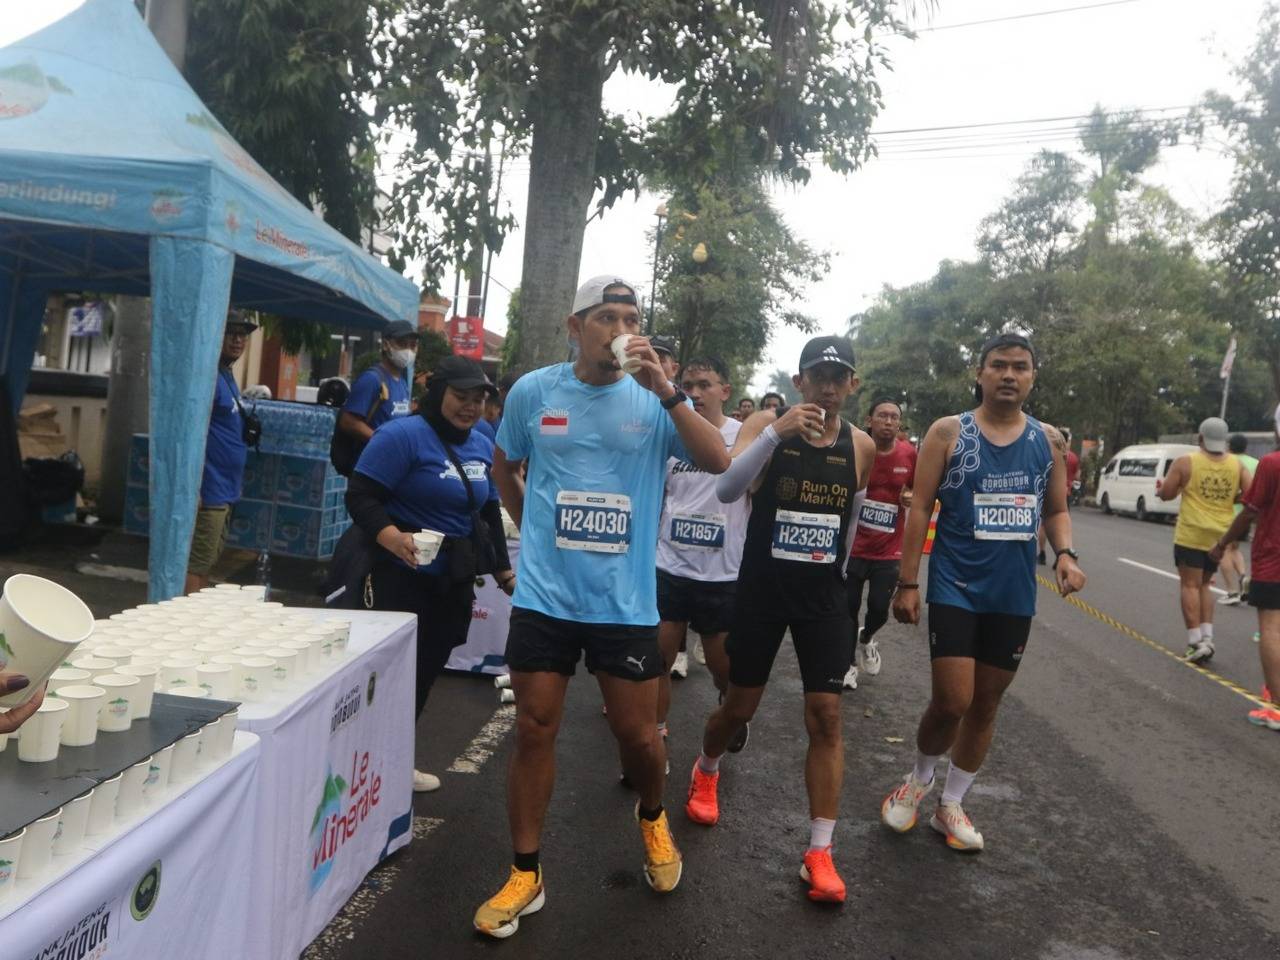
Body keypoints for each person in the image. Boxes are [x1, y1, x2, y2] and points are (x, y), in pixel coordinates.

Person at [474, 275, 729, 938]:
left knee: (638, 736)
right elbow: (504, 465)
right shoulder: (535, 392)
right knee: (534, 727)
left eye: (630, 316)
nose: (619, 327)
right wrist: (529, 524)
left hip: (623, 603)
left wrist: (669, 394)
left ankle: (651, 815)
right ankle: (525, 872)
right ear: (575, 324)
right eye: (606, 316)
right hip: (545, 597)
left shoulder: (652, 402)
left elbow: (722, 464)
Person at [684, 335, 874, 904]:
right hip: (762, 591)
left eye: (839, 377)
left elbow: (851, 521)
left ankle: (820, 851)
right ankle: (706, 766)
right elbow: (726, 488)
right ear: (799, 381)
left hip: (821, 600)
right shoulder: (765, 427)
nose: (828, 386)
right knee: (739, 707)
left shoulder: (860, 445)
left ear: (852, 385)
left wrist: (838, 589)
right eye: (818, 375)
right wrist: (774, 434)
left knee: (827, 717)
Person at [880, 332, 1084, 854]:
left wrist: (1064, 555)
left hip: (1013, 594)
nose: (1009, 375)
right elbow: (921, 506)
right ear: (980, 372)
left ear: (1033, 376)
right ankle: (918, 780)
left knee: (987, 703)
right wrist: (907, 581)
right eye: (999, 366)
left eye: (1020, 367)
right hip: (956, 586)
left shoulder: (1048, 441)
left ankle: (951, 805)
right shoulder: (949, 433)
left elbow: (1055, 509)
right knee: (952, 700)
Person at [345, 356, 515, 794]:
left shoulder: (482, 438)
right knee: (384, 677)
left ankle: (395, 764)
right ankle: (357, 770)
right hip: (397, 577)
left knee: (421, 676)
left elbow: (488, 510)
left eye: (479, 398)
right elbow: (361, 495)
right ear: (438, 394)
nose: (471, 407)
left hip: (451, 581)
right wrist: (390, 537)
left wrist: (502, 571)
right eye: (461, 397)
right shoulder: (401, 436)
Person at [654, 356, 750, 746]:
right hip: (669, 566)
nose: (694, 393)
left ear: (725, 391)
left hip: (721, 574)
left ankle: (731, 714)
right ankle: (654, 735)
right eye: (688, 385)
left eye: (704, 385)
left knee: (722, 669)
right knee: (656, 662)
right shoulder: (669, 432)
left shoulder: (744, 437)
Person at [1157, 417, 1250, 663]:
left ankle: (1194, 641)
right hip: (1219, 534)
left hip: (1191, 533)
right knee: (1205, 585)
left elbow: (1166, 494)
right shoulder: (1238, 466)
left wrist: (1165, 490)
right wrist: (1231, 499)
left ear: (1200, 438)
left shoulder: (1186, 462)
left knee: (1189, 585)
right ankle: (1207, 638)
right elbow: (1251, 497)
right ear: (1225, 440)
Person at [1210, 405, 1280, 730]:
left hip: (1273, 560)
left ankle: (1276, 707)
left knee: (1271, 629)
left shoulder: (1272, 463)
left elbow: (1249, 511)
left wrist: (1222, 543)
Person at [843, 397, 916, 690]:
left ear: (899, 424)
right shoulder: (857, 448)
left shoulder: (910, 454)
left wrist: (911, 495)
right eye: (882, 415)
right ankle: (847, 665)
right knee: (846, 608)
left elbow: (920, 490)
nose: (888, 421)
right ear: (869, 419)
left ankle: (867, 637)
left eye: (894, 417)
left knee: (878, 609)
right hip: (854, 546)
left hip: (889, 548)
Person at [185, 312, 255, 594]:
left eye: (243, 334)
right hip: (210, 490)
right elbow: (192, 432)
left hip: (226, 488)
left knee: (209, 561)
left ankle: (195, 616)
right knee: (198, 563)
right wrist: (196, 486)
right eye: (231, 333)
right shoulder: (209, 377)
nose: (238, 340)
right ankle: (185, 622)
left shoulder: (226, 375)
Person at [336, 319, 418, 454]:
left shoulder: (402, 383)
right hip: (370, 462)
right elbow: (348, 422)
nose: (408, 351)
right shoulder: (371, 379)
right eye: (402, 344)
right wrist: (382, 442)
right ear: (386, 345)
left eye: (413, 346)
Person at [1219, 433, 1259, 605]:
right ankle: (1243, 578)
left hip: (1228, 512)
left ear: (1230, 446)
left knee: (1223, 550)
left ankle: (1232, 591)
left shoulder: (1227, 461)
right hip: (1248, 513)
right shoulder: (1256, 463)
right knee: (1234, 548)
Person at [1037, 428, 1079, 564]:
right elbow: (1078, 475)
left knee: (1043, 525)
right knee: (1062, 520)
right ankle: (1060, 555)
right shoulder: (1073, 457)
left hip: (1048, 491)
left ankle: (1042, 553)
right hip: (1065, 492)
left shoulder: (1049, 448)